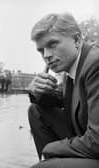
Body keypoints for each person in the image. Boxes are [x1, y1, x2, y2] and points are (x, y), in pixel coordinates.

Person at [28, 13, 99, 168]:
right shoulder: (71, 68)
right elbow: (70, 99)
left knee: (42, 167)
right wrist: (36, 91)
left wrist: (50, 149)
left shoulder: (95, 64)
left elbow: (97, 141)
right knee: (36, 111)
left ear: (77, 40)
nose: (46, 55)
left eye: (53, 44)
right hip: (90, 143)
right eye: (41, 50)